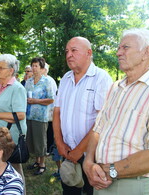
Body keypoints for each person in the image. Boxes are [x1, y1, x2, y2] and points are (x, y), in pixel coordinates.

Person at [83, 28, 149, 195]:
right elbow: (98, 129)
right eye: (119, 48)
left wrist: (111, 170)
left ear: (145, 52)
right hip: (100, 180)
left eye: (125, 47)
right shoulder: (115, 87)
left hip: (132, 186)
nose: (118, 52)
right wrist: (88, 163)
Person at [53, 37, 112, 195]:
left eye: (74, 50)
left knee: (90, 191)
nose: (69, 55)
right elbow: (57, 112)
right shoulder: (65, 78)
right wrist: (59, 143)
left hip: (91, 156)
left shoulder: (101, 78)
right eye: (67, 51)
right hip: (67, 152)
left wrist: (80, 150)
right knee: (69, 190)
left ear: (89, 53)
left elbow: (102, 121)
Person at [0, 54, 27, 190]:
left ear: (11, 71)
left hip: (9, 137)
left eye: (1, 68)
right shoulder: (0, 87)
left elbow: (20, 114)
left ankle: (19, 192)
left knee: (14, 171)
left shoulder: (17, 88)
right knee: (3, 170)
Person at [25, 57, 54, 175]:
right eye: (33, 66)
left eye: (36, 66)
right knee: (32, 140)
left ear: (42, 68)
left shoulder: (46, 81)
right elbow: (25, 96)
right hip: (29, 115)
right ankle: (37, 161)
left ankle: (42, 164)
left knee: (40, 141)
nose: (34, 68)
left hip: (41, 117)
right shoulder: (29, 82)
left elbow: (51, 99)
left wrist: (36, 101)